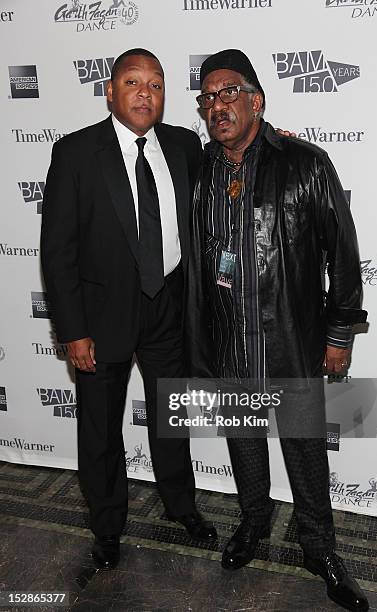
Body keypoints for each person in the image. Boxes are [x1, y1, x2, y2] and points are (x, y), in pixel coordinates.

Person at [186, 49, 368, 611]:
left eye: (229, 93)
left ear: (257, 100)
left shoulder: (306, 164)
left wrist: (339, 335)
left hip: (290, 337)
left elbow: (343, 253)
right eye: (208, 97)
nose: (218, 106)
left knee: (307, 453)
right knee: (243, 444)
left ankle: (320, 547)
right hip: (229, 341)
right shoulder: (200, 170)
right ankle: (254, 522)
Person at [40, 47, 217, 571]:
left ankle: (181, 506)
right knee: (99, 426)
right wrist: (72, 330)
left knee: (172, 418)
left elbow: (237, 164)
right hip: (100, 316)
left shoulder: (186, 145)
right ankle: (108, 525)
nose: (146, 92)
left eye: (157, 84)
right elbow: (58, 250)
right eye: (134, 82)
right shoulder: (75, 152)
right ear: (110, 91)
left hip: (168, 305)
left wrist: (279, 144)